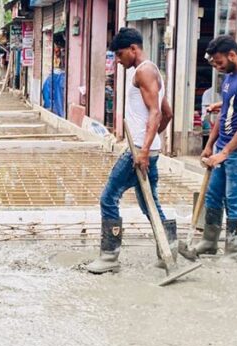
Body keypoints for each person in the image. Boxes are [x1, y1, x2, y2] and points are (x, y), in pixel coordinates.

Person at [87, 28, 174, 274]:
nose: (117, 60)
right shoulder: (153, 71)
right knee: (149, 202)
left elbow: (157, 113)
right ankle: (169, 248)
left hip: (138, 151)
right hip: (147, 149)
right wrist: (152, 143)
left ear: (133, 49)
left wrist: (144, 149)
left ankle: (109, 256)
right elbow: (167, 113)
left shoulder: (143, 71)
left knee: (108, 198)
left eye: (120, 54)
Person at [183, 35, 237, 263]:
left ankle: (234, 251)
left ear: (232, 55)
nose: (217, 67)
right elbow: (224, 113)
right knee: (213, 196)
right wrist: (210, 145)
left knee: (235, 200)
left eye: (219, 62)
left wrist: (225, 152)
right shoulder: (229, 79)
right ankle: (209, 242)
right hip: (222, 149)